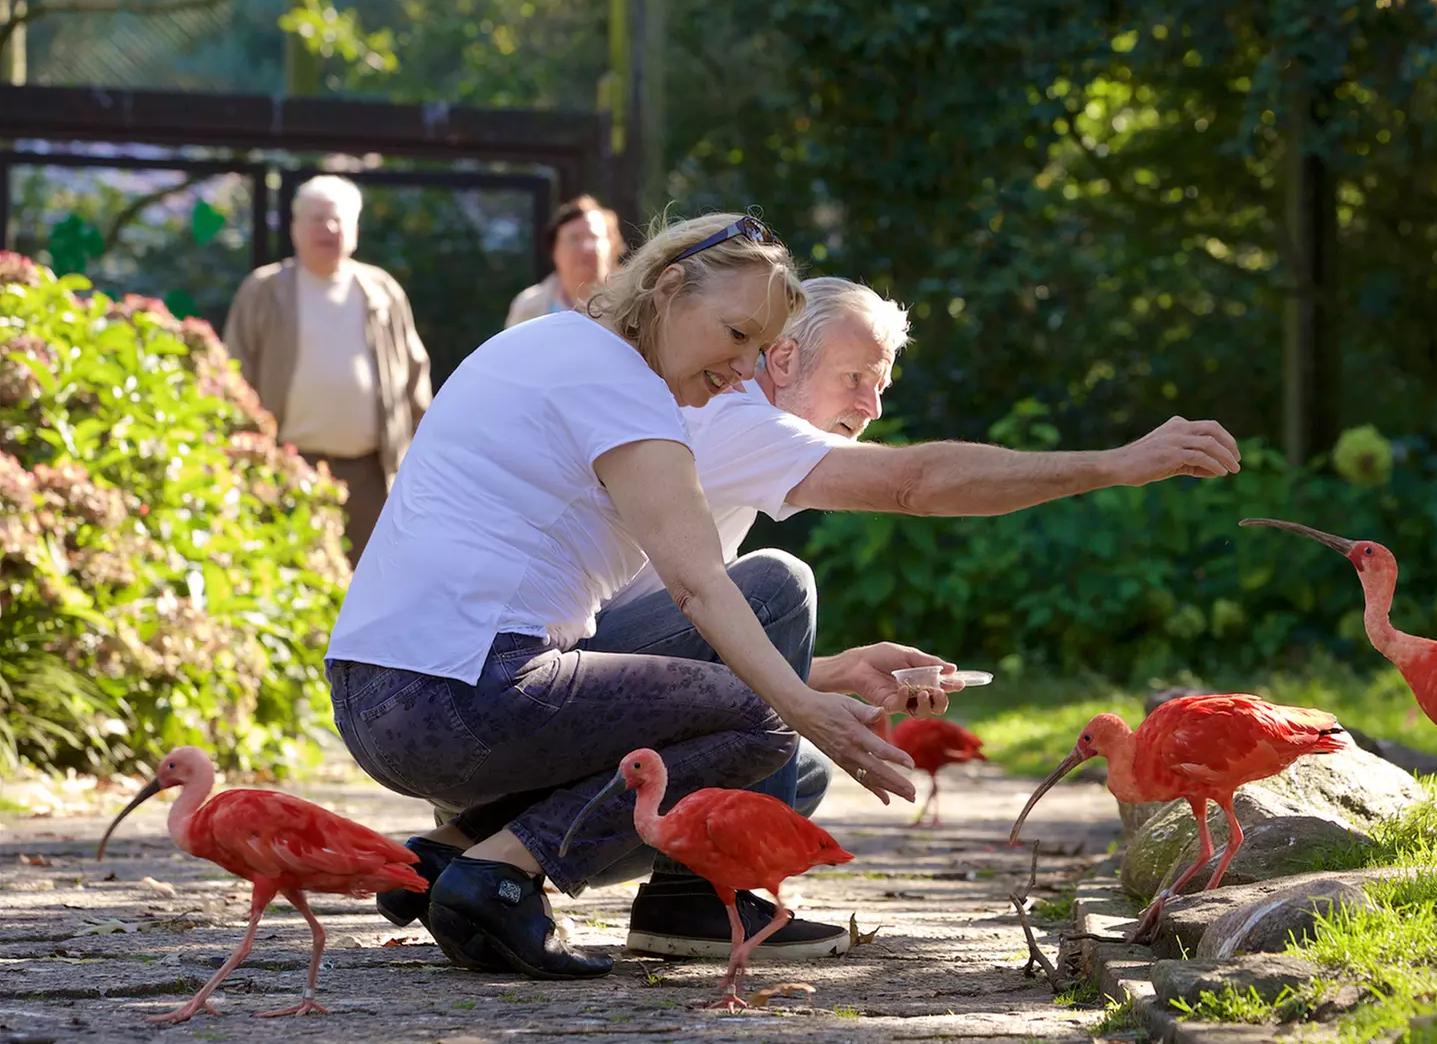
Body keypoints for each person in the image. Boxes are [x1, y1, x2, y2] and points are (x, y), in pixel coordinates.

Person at [324, 212, 931, 980]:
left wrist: (825, 679)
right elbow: (699, 589)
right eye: (736, 335)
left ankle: (457, 852)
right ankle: (503, 873)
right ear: (669, 288)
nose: (743, 369)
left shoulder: (545, 343)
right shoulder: (622, 383)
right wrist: (801, 707)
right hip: (461, 701)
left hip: (374, 697)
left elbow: (670, 666)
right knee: (764, 719)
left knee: (784, 750)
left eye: (756, 347)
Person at [588, 275, 1241, 958]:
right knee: (780, 583)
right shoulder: (737, 420)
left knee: (802, 771)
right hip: (564, 685)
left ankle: (669, 896)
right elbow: (915, 483)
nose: (870, 407)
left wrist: (837, 669)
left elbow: (691, 646)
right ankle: (692, 902)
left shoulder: (728, 425)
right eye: (855, 379)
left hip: (598, 673)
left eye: (880, 388)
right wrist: (1115, 464)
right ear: (781, 359)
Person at [222, 175, 432, 563]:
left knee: (370, 581)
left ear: (355, 230)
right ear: (295, 229)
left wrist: (421, 457)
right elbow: (232, 376)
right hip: (287, 467)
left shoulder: (382, 292)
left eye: (338, 219)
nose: (328, 228)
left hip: (371, 477)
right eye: (317, 219)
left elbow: (415, 381)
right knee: (290, 575)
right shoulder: (264, 290)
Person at [504, 195, 625, 328]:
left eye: (595, 237)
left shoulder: (629, 304)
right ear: (554, 250)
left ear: (612, 246)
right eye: (574, 238)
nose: (586, 247)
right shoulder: (528, 307)